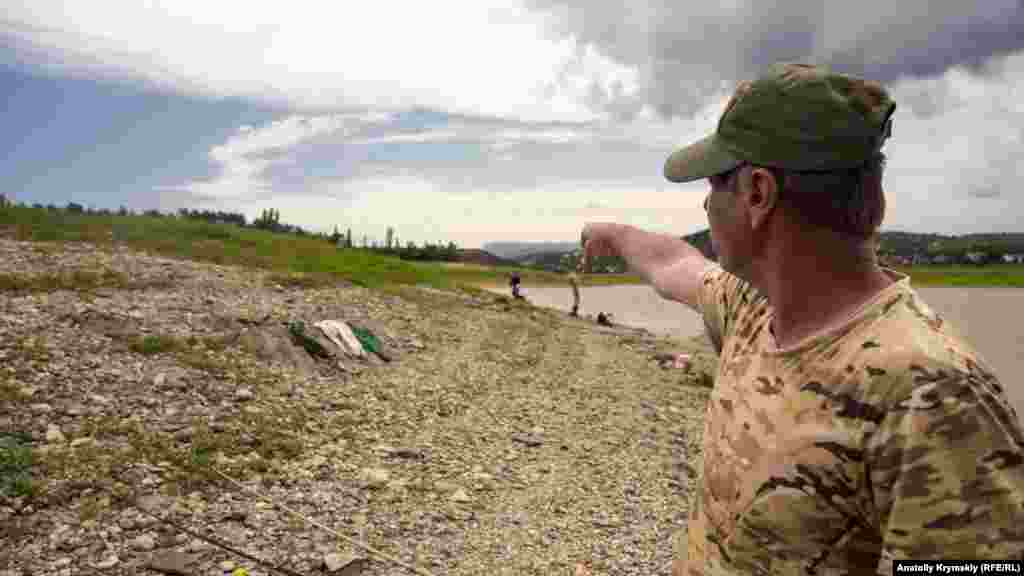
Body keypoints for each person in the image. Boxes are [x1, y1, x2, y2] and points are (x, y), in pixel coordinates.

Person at [579, 63, 1024, 575]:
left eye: (715, 183)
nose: (704, 204)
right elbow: (676, 265)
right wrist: (611, 233)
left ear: (758, 194)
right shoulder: (753, 309)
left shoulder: (933, 397)